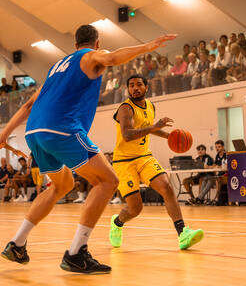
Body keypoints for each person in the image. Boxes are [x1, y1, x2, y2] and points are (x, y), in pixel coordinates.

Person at [0, 23, 177, 273]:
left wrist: (5, 133)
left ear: (74, 45)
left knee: (62, 186)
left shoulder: (55, 68)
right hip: (62, 128)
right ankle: (76, 253)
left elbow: (29, 104)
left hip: (34, 131)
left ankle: (17, 244)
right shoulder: (90, 56)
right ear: (97, 43)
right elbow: (113, 57)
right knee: (107, 181)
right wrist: (148, 46)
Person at [109, 74, 203, 250]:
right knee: (135, 208)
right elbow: (128, 135)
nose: (135, 88)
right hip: (124, 161)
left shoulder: (151, 106)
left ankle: (183, 234)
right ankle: (117, 222)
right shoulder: (125, 109)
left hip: (144, 157)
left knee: (167, 188)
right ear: (127, 89)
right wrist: (155, 127)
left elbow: (147, 128)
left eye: (139, 84)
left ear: (146, 87)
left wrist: (169, 136)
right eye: (131, 85)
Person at [193, 140, 227, 205]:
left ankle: (200, 198)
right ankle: (200, 198)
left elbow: (224, 166)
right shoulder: (217, 155)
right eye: (216, 147)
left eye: (219, 147)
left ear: (223, 147)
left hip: (224, 175)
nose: (217, 149)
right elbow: (215, 165)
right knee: (205, 178)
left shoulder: (226, 155)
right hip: (217, 175)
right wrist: (212, 167)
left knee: (210, 179)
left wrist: (215, 167)